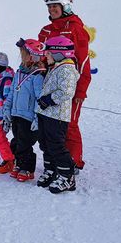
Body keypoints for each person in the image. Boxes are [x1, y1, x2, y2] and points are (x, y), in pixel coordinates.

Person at [38, 0, 91, 171]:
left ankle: (73, 162)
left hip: (70, 85)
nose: (52, 9)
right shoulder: (46, 30)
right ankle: (56, 162)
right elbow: (41, 58)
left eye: (55, 6)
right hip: (49, 85)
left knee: (69, 124)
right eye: (50, 6)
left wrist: (81, 91)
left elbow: (83, 62)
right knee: (51, 125)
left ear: (65, 6)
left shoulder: (76, 29)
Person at [36, 36, 80, 194]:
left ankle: (67, 176)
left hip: (57, 116)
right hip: (46, 113)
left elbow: (67, 92)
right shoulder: (56, 67)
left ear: (59, 53)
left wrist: (48, 100)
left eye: (48, 53)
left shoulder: (67, 70)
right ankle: (51, 169)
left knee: (56, 145)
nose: (45, 56)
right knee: (45, 143)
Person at [2, 39, 46, 182]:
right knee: (16, 141)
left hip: (28, 116)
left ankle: (27, 169)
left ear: (33, 56)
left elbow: (39, 98)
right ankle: (19, 164)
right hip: (16, 113)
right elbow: (12, 93)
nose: (22, 56)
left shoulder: (37, 75)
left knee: (25, 144)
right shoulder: (20, 72)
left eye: (24, 54)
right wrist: (7, 109)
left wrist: (36, 118)